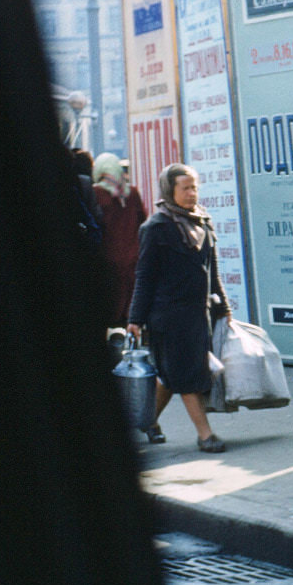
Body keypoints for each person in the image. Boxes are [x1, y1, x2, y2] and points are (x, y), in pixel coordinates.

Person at [126, 162, 229, 453]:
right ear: (170, 191)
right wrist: (135, 317)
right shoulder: (156, 227)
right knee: (186, 375)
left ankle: (146, 421)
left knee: (173, 375)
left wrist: (224, 307)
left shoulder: (203, 222)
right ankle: (205, 435)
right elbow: (144, 276)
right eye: (185, 188)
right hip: (167, 316)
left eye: (194, 187)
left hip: (198, 314)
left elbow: (211, 271)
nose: (191, 193)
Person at [92, 152, 146, 329]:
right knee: (131, 311)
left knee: (112, 313)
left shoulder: (96, 193)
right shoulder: (133, 193)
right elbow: (143, 222)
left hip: (108, 261)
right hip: (134, 259)